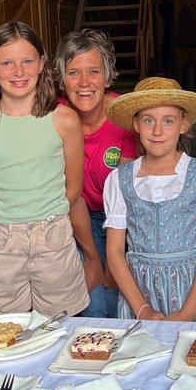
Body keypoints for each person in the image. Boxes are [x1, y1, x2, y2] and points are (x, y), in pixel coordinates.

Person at [0, 21, 89, 316]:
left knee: (61, 324)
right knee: (1, 327)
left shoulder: (64, 120)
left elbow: (73, 187)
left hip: (53, 236)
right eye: (7, 63)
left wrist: (48, 217)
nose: (18, 72)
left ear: (42, 64)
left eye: (27, 61)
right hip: (2, 242)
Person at [103, 76, 196, 322]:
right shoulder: (119, 179)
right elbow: (115, 253)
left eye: (168, 121)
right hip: (140, 292)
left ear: (183, 124)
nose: (157, 131)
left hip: (193, 292)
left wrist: (188, 312)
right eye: (148, 120)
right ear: (136, 124)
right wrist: (142, 309)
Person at [53, 29, 137, 318]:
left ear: (108, 76)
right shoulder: (54, 117)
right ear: (61, 80)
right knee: (94, 306)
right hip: (70, 219)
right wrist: (91, 258)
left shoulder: (123, 116)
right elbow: (66, 193)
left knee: (117, 301)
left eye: (93, 72)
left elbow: (124, 195)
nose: (84, 82)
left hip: (118, 219)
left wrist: (116, 258)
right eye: (73, 73)